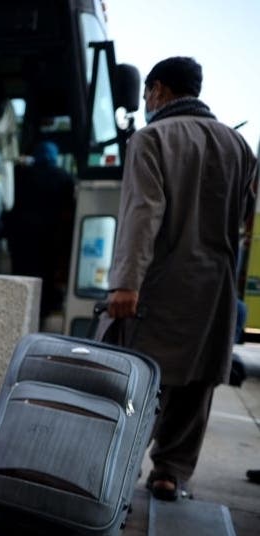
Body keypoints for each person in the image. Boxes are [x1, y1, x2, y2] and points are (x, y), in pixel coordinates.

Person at [107, 57, 257, 502]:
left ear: (159, 90)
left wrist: (125, 283)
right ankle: (170, 473)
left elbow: (142, 214)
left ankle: (116, 471)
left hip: (159, 284)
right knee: (196, 384)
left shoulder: (151, 139)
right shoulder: (238, 145)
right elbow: (245, 219)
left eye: (147, 94)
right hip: (215, 289)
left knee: (138, 380)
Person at [4, 140, 75, 319]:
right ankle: (39, 316)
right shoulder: (64, 177)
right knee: (44, 282)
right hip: (48, 242)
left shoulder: (21, 174)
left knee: (20, 278)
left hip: (21, 240)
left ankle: (18, 314)